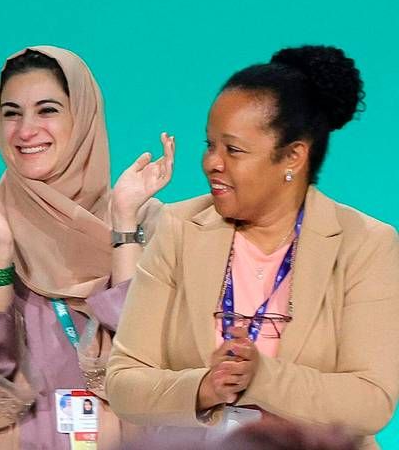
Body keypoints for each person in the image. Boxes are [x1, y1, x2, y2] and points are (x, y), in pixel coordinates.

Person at [106, 45, 399, 447]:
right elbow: (124, 382)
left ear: (293, 156)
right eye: (210, 145)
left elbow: (371, 401)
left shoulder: (364, 245)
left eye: (234, 150)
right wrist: (205, 387)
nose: (212, 162)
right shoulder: (180, 229)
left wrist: (262, 379)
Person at [0, 46, 176, 448]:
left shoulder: (148, 221)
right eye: (11, 113)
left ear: (83, 118)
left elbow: (147, 363)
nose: (26, 131)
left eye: (47, 110)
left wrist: (124, 226)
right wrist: (0, 255)